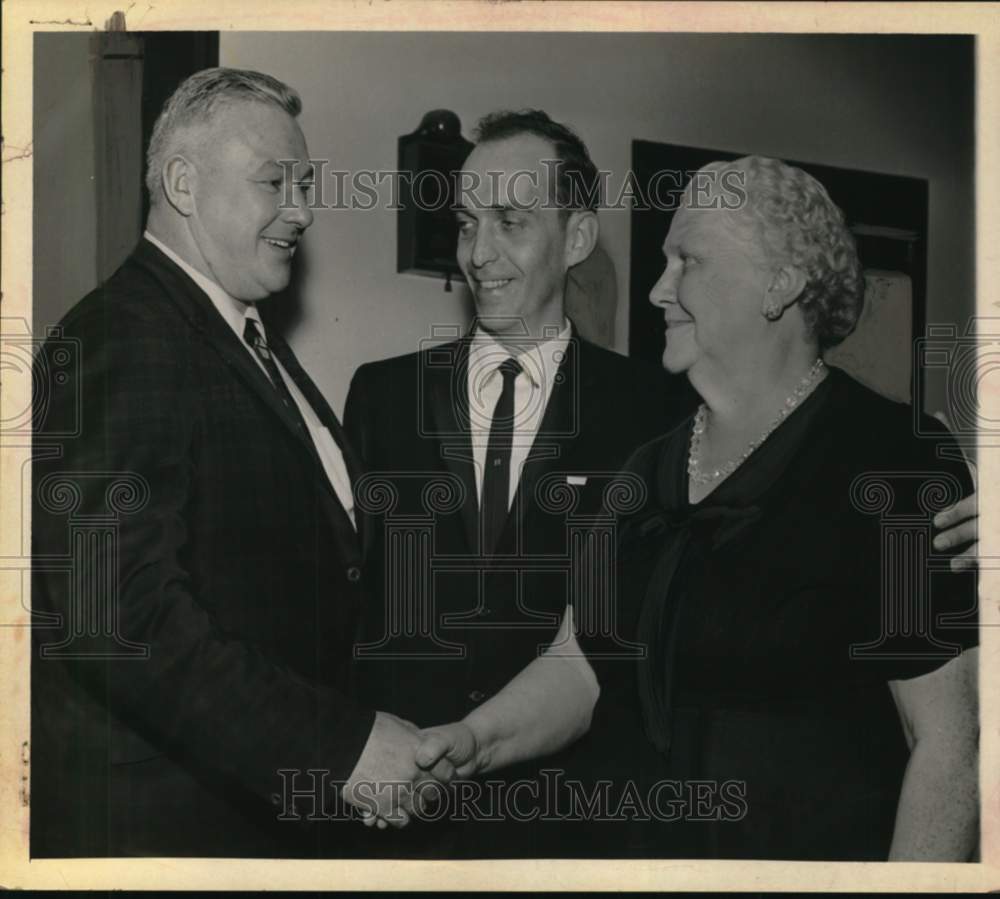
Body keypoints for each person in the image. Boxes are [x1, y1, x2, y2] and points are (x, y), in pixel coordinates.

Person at [415, 156, 980, 861]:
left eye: (688, 261)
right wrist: (475, 741)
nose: (658, 289)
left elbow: (950, 746)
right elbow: (582, 663)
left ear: (780, 283)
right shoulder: (647, 468)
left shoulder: (893, 458)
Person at [30, 67, 452, 858]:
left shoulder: (240, 334)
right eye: (274, 181)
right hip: (162, 832)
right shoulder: (122, 335)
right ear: (183, 184)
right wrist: (338, 747)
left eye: (306, 184)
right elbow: (118, 617)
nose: (304, 210)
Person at [343, 109, 694, 855]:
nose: (479, 253)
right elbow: (348, 600)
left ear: (577, 237)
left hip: (573, 823)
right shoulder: (381, 396)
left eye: (510, 222)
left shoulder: (656, 412)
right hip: (399, 815)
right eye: (468, 223)